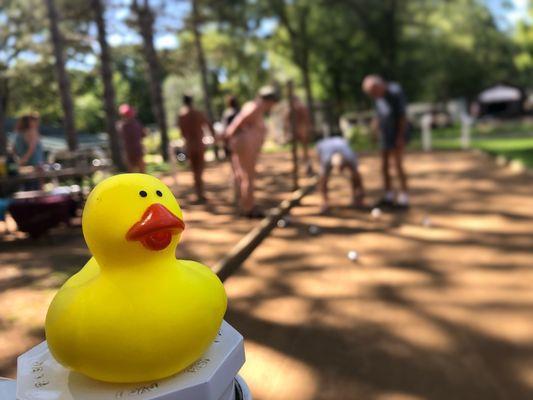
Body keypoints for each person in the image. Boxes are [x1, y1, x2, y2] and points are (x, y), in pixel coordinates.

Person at [225, 86, 278, 218]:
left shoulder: (255, 107)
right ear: (269, 100)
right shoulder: (255, 106)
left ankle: (244, 203)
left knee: (243, 175)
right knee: (248, 176)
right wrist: (229, 136)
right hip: (245, 144)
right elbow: (238, 122)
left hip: (244, 144)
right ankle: (248, 208)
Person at [362, 74, 409, 209]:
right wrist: (375, 131)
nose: (373, 95)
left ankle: (404, 198)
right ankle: (388, 196)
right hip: (385, 134)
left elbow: (402, 116)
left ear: (378, 86)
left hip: (396, 134)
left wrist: (400, 137)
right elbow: (378, 115)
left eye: (373, 92)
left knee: (398, 165)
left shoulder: (395, 92)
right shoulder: (378, 97)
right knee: (384, 166)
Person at [177, 94, 215, 204]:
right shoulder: (198, 113)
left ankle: (198, 194)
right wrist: (214, 137)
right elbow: (208, 125)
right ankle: (200, 193)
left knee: (194, 170)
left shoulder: (182, 115)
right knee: (200, 170)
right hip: (199, 144)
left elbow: (182, 132)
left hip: (189, 145)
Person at [316, 135, 365, 214]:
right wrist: (324, 202)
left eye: (341, 168)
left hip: (340, 143)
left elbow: (356, 175)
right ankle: (325, 202)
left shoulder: (350, 156)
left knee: (354, 173)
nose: (340, 172)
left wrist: (360, 192)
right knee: (324, 177)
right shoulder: (326, 160)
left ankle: (357, 199)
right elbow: (323, 180)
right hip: (323, 145)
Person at [284, 96, 313, 175]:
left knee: (304, 150)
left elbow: (307, 119)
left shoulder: (301, 108)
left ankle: (307, 166)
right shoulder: (291, 109)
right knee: (296, 149)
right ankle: (297, 166)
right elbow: (286, 121)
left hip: (301, 130)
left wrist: (307, 129)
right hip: (297, 130)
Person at [117, 104, 146, 173]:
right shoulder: (136, 124)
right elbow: (143, 134)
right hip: (134, 151)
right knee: (141, 172)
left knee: (133, 172)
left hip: (131, 152)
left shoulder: (120, 126)